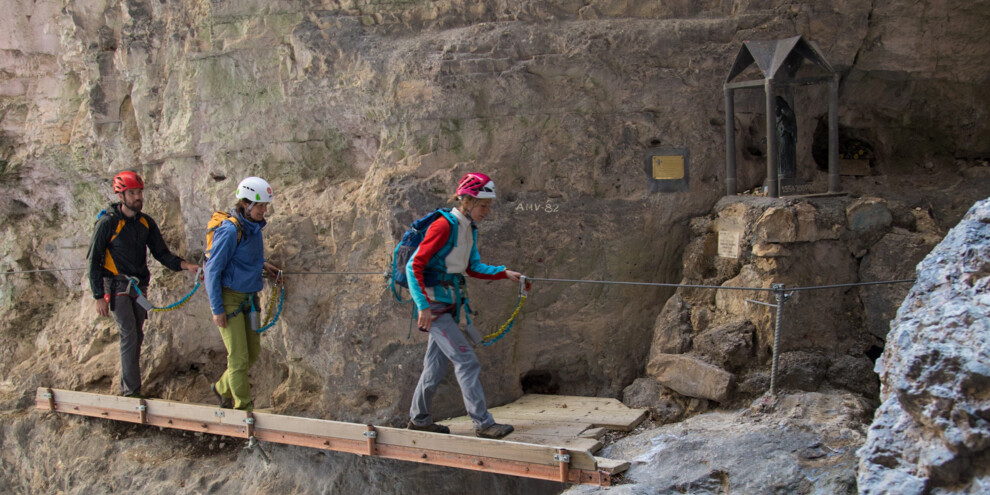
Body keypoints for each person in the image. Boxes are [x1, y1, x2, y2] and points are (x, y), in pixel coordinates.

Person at [406, 172, 523, 439]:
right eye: (483, 205)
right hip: (435, 308)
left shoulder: (468, 228)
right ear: (467, 201)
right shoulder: (444, 226)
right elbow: (414, 265)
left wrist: (503, 273)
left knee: (434, 367)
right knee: (467, 362)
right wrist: (422, 306)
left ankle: (419, 419)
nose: (487, 211)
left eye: (489, 205)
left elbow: (472, 267)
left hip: (450, 305)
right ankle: (483, 423)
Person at [88, 170, 200, 398]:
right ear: (122, 196)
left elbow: (161, 253)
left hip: (139, 287)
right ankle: (131, 393)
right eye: (133, 193)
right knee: (129, 333)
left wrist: (186, 265)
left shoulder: (145, 223)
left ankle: (127, 386)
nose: (138, 197)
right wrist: (98, 295)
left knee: (137, 335)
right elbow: (94, 259)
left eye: (139, 192)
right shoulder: (108, 223)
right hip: (116, 287)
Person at [204, 176, 280, 411]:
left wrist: (262, 264)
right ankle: (243, 409)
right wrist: (217, 309)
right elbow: (212, 270)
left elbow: (244, 256)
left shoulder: (254, 228)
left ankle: (221, 388)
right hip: (230, 300)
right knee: (238, 358)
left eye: (265, 205)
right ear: (245, 204)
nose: (263, 210)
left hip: (250, 300)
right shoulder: (229, 231)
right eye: (259, 205)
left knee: (253, 353)